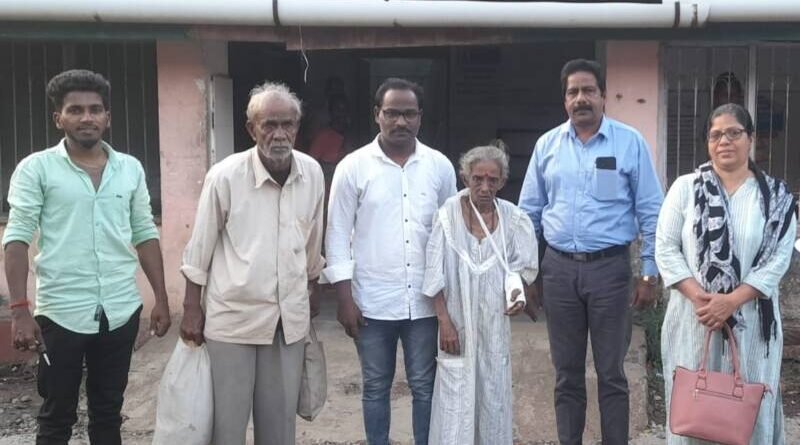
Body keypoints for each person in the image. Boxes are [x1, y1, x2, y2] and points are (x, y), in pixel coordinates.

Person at [4, 69, 171, 445]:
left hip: (120, 310)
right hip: (60, 313)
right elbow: (16, 239)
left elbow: (144, 233)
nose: (86, 117)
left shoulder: (129, 169)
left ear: (107, 117)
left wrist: (160, 298)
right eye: (75, 110)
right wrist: (19, 310)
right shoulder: (36, 169)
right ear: (58, 118)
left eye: (95, 109)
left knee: (108, 412)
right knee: (56, 416)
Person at [518, 58, 664, 445]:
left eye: (588, 90)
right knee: (566, 374)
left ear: (603, 95)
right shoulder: (547, 145)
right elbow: (528, 215)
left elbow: (651, 211)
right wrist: (526, 274)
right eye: (573, 92)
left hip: (610, 271)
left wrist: (649, 273)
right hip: (559, 271)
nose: (580, 98)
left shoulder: (629, 142)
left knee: (611, 374)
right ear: (564, 100)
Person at [179, 81, 325, 445]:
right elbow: (199, 248)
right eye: (269, 125)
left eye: (287, 124)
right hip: (234, 319)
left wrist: (312, 289)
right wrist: (192, 308)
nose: (279, 134)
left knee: (279, 427)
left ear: (297, 127)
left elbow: (312, 240)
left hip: (287, 320)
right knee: (226, 428)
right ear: (251, 129)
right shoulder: (225, 176)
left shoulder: (311, 173)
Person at [323, 77, 457, 445]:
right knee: (375, 387)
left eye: (409, 114)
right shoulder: (353, 167)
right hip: (371, 303)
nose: (401, 121)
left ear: (420, 117)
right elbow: (337, 234)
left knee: (425, 386)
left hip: (425, 303)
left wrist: (447, 305)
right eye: (392, 113)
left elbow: (451, 234)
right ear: (376, 115)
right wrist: (344, 299)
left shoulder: (439, 167)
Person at [656, 103, 797, 444]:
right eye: (716, 134)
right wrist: (703, 300)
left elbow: (777, 260)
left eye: (734, 133)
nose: (724, 141)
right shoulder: (685, 189)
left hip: (752, 325)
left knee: (749, 416)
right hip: (694, 320)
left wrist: (731, 302)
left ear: (751, 138)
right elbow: (666, 248)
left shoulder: (776, 198)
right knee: (691, 415)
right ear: (707, 142)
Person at [423, 144, 538, 444]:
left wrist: (517, 294)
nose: (485, 187)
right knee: (455, 402)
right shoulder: (447, 216)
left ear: (502, 182)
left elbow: (524, 268)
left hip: (494, 326)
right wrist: (445, 322)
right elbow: (434, 274)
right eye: (478, 179)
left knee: (493, 397)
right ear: (465, 178)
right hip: (457, 324)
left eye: (492, 180)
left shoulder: (514, 220)